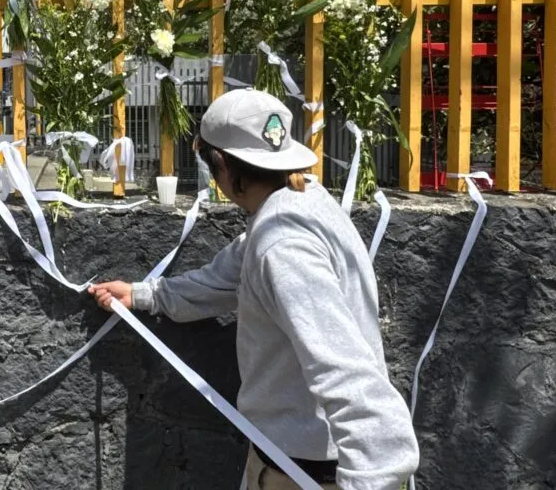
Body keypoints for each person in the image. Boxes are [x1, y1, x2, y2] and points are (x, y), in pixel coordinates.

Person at [88, 89, 419, 490]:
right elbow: (221, 280)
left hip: (303, 473)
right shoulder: (298, 205)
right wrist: (143, 295)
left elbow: (343, 368)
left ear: (222, 164)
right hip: (284, 457)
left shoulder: (282, 246)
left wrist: (377, 475)